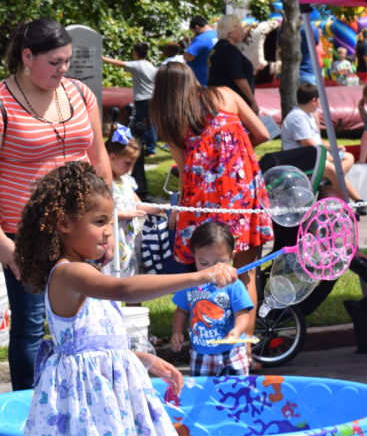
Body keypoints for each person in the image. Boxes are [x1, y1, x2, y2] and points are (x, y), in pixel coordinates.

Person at [0, 161, 234, 436]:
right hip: (78, 414)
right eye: (99, 221)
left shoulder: (86, 273)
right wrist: (199, 276)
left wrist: (146, 359)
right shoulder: (69, 275)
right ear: (64, 223)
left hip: (101, 413)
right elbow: (124, 289)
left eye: (110, 221)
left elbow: (97, 344)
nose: (108, 232)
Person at [0, 18, 112, 391]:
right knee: (29, 327)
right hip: (24, 233)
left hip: (79, 228)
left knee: (85, 318)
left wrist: (106, 225)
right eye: (54, 62)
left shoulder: (80, 94)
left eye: (67, 61)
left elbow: (99, 157)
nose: (63, 70)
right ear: (27, 57)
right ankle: (26, 415)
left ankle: (80, 403)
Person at [150, 63, 272, 367]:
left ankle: (207, 349)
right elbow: (263, 132)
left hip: (201, 202)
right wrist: (235, 152)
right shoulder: (226, 95)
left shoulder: (172, 119)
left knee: (205, 274)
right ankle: (243, 351)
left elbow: (183, 170)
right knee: (245, 275)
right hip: (241, 193)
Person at [169, 220, 253, 376]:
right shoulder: (190, 283)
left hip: (233, 352)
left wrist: (236, 331)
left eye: (219, 262)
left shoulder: (233, 285)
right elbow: (181, 310)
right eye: (203, 263)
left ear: (232, 256)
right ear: (194, 257)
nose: (212, 269)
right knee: (203, 394)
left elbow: (242, 314)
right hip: (201, 353)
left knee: (239, 391)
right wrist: (176, 332)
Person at [281, 82, 365, 212]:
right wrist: (329, 157)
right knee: (332, 169)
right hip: (300, 159)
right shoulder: (297, 117)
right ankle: (355, 201)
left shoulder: (307, 114)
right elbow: (308, 144)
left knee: (348, 157)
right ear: (314, 100)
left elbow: (317, 141)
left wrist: (334, 148)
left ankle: (329, 184)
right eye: (319, 100)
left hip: (312, 156)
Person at [103, 124, 156, 279]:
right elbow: (101, 213)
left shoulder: (127, 182)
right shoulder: (104, 183)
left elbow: (140, 206)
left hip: (128, 241)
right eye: (127, 163)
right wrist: (124, 214)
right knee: (114, 274)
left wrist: (162, 208)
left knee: (133, 274)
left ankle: (135, 302)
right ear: (112, 158)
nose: (130, 168)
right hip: (114, 236)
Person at [102, 42, 157, 155]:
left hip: (141, 99)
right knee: (151, 124)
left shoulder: (137, 65)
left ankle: (128, 144)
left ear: (135, 52)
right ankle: (151, 149)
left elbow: (120, 63)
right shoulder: (150, 66)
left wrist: (103, 58)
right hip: (151, 98)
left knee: (134, 122)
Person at [208, 14, 257, 113]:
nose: (242, 31)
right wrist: (253, 101)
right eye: (239, 28)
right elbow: (239, 78)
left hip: (219, 98)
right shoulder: (229, 50)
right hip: (233, 102)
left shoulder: (218, 47)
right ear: (230, 32)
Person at [183, 15, 218, 86]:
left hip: (200, 83)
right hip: (215, 80)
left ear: (197, 27)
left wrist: (188, 45)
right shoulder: (218, 34)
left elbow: (188, 57)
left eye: (194, 32)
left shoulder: (201, 39)